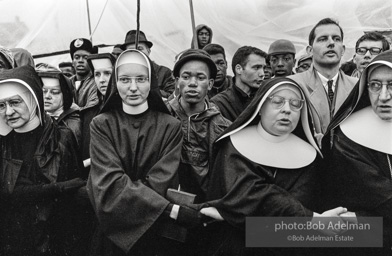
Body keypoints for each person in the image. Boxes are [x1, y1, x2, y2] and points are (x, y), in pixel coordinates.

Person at [200, 77, 351, 256]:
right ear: (260, 106)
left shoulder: (311, 156)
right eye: (277, 102)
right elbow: (247, 195)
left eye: (295, 104)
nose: (287, 110)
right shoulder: (233, 145)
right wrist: (311, 219)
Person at [87, 49, 207, 256]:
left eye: (141, 79)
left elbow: (161, 182)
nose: (133, 88)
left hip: (154, 234)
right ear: (116, 83)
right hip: (112, 234)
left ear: (150, 82)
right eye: (125, 80)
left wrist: (121, 197)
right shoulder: (101, 124)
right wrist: (168, 209)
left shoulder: (170, 126)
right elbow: (108, 183)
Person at [0, 65, 85, 256]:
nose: (9, 112)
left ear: (32, 99)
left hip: (55, 237)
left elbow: (75, 193)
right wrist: (55, 189)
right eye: (1, 105)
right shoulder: (2, 142)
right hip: (13, 241)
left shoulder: (62, 138)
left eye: (15, 102)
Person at [322, 50, 392, 256]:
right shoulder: (350, 136)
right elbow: (381, 200)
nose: (384, 96)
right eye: (375, 85)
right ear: (365, 87)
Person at [289, 18, 358, 143]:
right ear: (310, 50)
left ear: (342, 50)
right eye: (323, 39)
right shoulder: (292, 85)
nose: (331, 43)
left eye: (336, 39)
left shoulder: (357, 86)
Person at [211, 46, 267, 122]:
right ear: (239, 69)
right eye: (256, 68)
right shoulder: (220, 103)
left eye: (263, 68)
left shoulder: (267, 97)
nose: (262, 74)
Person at [120, 30, 175, 99]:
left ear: (148, 51)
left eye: (140, 49)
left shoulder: (164, 72)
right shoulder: (121, 75)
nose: (137, 53)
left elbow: (173, 96)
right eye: (131, 50)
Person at [38, 71, 82, 146]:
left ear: (65, 95)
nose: (47, 96)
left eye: (54, 92)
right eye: (44, 91)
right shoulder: (39, 118)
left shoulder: (73, 124)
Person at [69, 38, 99, 110]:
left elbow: (91, 109)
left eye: (85, 57)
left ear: (91, 60)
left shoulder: (97, 82)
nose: (80, 61)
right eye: (77, 57)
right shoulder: (66, 82)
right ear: (72, 61)